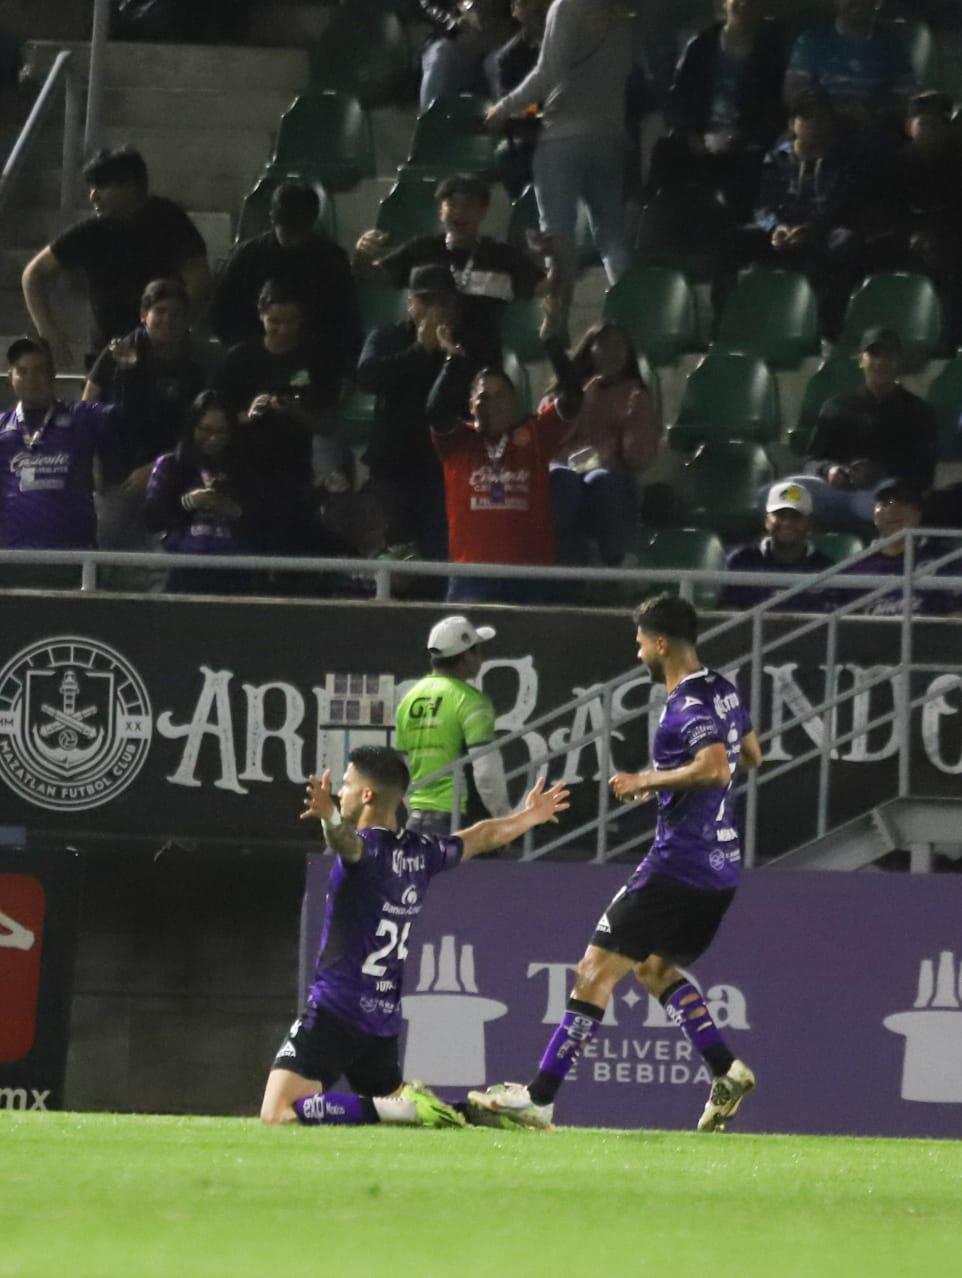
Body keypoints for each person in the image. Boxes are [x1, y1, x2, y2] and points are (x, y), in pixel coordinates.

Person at [468, 594, 763, 1132]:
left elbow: (718, 768)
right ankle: (726, 1069)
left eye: (639, 644)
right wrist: (680, 791)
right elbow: (752, 754)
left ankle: (539, 1097)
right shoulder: (722, 689)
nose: (637, 655)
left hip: (678, 864)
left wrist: (646, 780)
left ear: (661, 644)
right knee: (653, 969)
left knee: (592, 972)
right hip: (722, 867)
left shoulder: (686, 706)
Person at [259, 744, 569, 1128]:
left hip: (334, 1012)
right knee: (407, 1113)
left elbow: (346, 844)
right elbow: (483, 835)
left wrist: (329, 818)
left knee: (278, 1113)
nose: (341, 792)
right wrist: (529, 816)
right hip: (381, 1023)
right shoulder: (422, 852)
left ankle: (409, 1106)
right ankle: (469, 1112)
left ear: (368, 795)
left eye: (346, 784)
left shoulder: (367, 850)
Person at [426, 311, 584, 603]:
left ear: (515, 401)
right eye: (484, 397)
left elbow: (573, 395)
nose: (492, 404)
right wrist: (453, 361)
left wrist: (551, 342)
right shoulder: (459, 442)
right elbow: (436, 411)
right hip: (472, 576)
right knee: (463, 648)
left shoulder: (536, 434)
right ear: (471, 406)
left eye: (501, 396)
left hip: (531, 577)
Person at [483, 0, 635, 301]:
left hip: (562, 137)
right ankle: (627, 310)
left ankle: (557, 320)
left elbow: (546, 72)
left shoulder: (566, 7)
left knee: (555, 238)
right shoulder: (621, 11)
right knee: (611, 236)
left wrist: (502, 109)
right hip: (609, 134)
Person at [21, 146, 209, 368]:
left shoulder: (169, 222)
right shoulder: (92, 231)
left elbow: (199, 280)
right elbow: (34, 274)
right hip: (108, 354)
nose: (93, 196)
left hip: (165, 354)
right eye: (91, 187)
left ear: (130, 186)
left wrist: (174, 329)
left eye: (101, 186)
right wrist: (50, 333)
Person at [711, 94, 865, 339]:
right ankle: (722, 326)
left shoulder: (839, 162)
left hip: (819, 231)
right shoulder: (777, 158)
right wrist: (776, 228)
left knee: (845, 244)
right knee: (730, 242)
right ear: (793, 123)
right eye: (806, 118)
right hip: (780, 231)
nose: (813, 125)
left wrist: (809, 229)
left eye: (820, 119)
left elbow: (835, 205)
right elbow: (763, 204)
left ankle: (828, 334)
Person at [355, 174, 547, 365]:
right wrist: (362, 254)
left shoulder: (503, 257)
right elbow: (373, 276)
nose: (460, 211)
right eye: (452, 204)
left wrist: (558, 257)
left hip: (482, 361)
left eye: (469, 205)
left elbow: (545, 286)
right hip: (426, 358)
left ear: (483, 210)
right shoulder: (422, 249)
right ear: (440, 210)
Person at [215, 279, 345, 552]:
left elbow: (328, 423)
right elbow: (216, 419)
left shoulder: (317, 360)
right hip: (247, 471)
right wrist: (248, 416)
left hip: (298, 472)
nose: (282, 330)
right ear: (261, 314)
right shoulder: (239, 358)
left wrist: (296, 412)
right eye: (274, 321)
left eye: (290, 322)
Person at [83, 278, 205, 551]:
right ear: (143, 315)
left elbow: (200, 429)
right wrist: (92, 461)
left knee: (161, 557)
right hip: (116, 477)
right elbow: (87, 407)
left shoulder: (197, 364)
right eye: (160, 311)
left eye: (176, 314)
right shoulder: (118, 353)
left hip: (172, 475)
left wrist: (156, 468)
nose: (168, 320)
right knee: (107, 551)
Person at [355, 265, 467, 561]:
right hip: (392, 467)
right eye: (425, 301)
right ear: (411, 304)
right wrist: (419, 350)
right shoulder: (388, 337)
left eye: (442, 302)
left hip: (442, 469)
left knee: (437, 553)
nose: (434, 310)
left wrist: (449, 358)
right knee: (388, 552)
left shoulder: (464, 345)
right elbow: (367, 377)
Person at [0, 337, 129, 586]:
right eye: (22, 371)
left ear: (53, 375)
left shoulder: (82, 417)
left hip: (72, 559)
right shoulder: (2, 428)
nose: (30, 379)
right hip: (11, 559)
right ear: (10, 376)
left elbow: (124, 417)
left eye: (39, 370)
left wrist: (119, 371)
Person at [209, 181, 362, 389]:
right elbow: (223, 315)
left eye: (299, 231)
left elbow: (344, 324)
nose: (293, 239)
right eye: (288, 231)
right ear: (273, 220)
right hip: (255, 357)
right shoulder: (248, 257)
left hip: (314, 360)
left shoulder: (330, 260)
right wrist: (261, 346)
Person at [651, 0, 787, 221]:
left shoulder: (770, 51)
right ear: (724, 4)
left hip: (748, 145)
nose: (744, 4)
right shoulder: (700, 46)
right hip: (700, 139)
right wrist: (694, 136)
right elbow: (677, 98)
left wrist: (741, 137)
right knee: (665, 153)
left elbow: (774, 108)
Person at [546, 320, 660, 566]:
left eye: (620, 346)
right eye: (605, 345)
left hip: (609, 475)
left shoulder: (635, 397)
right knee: (562, 482)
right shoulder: (568, 392)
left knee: (600, 482)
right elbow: (547, 438)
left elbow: (637, 458)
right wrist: (583, 400)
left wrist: (632, 417)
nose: (613, 353)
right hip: (564, 469)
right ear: (590, 350)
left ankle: (614, 562)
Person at [805, 328, 939, 524]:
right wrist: (830, 470)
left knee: (878, 505)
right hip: (835, 492)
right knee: (786, 493)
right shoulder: (836, 406)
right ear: (861, 359)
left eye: (889, 356)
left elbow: (923, 474)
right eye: (874, 354)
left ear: (899, 362)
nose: (881, 362)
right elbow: (811, 460)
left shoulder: (918, 412)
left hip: (884, 495)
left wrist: (880, 473)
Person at [395, 616, 511, 840]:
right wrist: (504, 818)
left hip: (414, 822)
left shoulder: (408, 699)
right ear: (466, 656)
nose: (481, 656)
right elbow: (486, 772)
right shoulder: (472, 701)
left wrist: (413, 808)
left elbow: (404, 770)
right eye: (477, 650)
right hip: (457, 820)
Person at [143, 391, 258, 594]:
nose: (213, 438)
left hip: (232, 572)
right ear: (192, 428)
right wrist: (191, 501)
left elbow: (263, 521)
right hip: (178, 567)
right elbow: (153, 517)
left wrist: (233, 510)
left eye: (221, 432)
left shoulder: (244, 468)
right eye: (205, 430)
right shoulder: (171, 466)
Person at [784, 0, 916, 136]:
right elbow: (794, 93)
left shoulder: (891, 45)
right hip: (819, 130)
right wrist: (835, 110)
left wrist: (875, 111)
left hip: (873, 133)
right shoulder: (812, 40)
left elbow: (906, 96)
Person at [840, 479, 959, 617]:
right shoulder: (855, 566)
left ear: (918, 513)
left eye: (902, 503)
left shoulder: (946, 561)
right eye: (884, 504)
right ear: (874, 515)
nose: (892, 510)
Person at [719, 481, 835, 611]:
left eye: (795, 516)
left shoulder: (825, 567)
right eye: (780, 515)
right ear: (767, 520)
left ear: (809, 523)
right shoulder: (741, 559)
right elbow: (728, 612)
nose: (787, 522)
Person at [418, 0, 516, 111]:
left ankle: (508, 121)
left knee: (499, 64)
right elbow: (426, 4)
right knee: (440, 60)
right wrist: (450, 24)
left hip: (503, 38)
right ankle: (430, 122)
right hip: (457, 38)